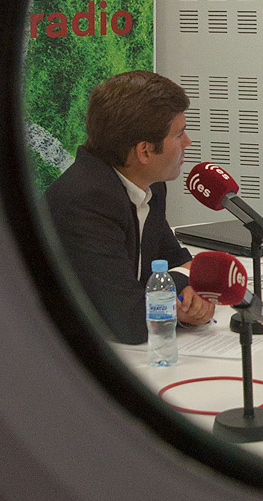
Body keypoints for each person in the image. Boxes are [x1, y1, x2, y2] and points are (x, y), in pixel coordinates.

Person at [44, 70, 214, 344]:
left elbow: (177, 261)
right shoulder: (86, 203)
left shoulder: (150, 185)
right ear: (144, 151)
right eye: (179, 134)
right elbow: (131, 321)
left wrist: (188, 299)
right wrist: (183, 287)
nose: (188, 142)